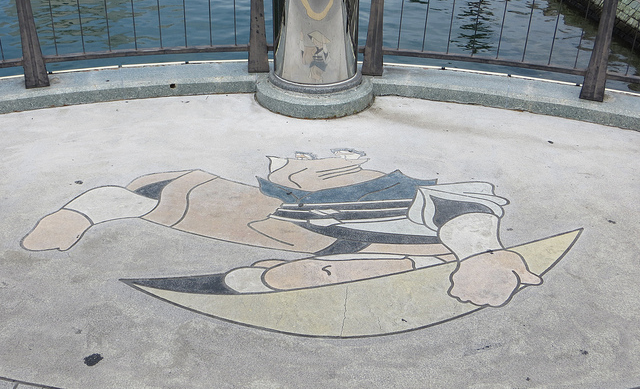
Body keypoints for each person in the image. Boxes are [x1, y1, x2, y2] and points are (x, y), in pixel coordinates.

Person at [23, 149, 541, 307]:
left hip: (349, 235)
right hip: (299, 222)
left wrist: (479, 255)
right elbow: (464, 218)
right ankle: (91, 209)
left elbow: (464, 213)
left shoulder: (414, 194)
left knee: (197, 209)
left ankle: (292, 274)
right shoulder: (281, 190)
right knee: (181, 200)